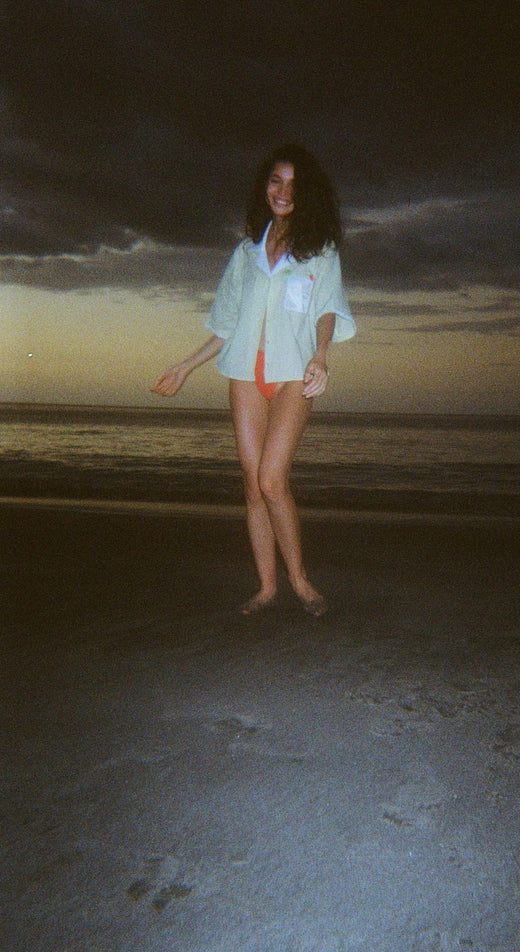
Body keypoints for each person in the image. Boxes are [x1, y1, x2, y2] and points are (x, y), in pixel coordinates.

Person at [151, 144, 356, 617]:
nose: (283, 192)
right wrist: (185, 365)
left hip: (292, 375)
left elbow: (327, 309)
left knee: (271, 478)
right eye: (275, 181)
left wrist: (321, 357)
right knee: (251, 484)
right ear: (264, 188)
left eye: (293, 184)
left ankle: (301, 581)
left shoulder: (320, 253)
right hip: (245, 372)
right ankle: (266, 588)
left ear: (308, 195)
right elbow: (225, 325)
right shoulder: (244, 254)